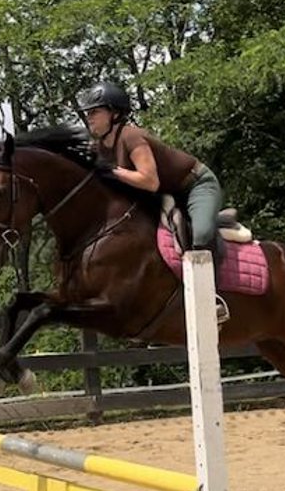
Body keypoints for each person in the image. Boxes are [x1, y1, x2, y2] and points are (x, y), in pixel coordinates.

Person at [77, 81, 230, 324]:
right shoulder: (100, 145)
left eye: (94, 112)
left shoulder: (131, 136)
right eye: (87, 114)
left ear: (114, 114)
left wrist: (111, 170)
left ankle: (211, 299)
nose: (89, 119)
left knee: (200, 235)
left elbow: (149, 181)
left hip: (196, 185)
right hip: (166, 194)